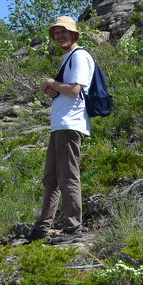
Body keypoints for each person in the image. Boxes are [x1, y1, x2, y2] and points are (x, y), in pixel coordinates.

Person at [30, 16, 94, 243]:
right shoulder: (68, 58)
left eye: (64, 32)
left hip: (71, 125)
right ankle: (42, 227)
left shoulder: (80, 56)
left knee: (68, 177)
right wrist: (54, 90)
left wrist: (51, 82)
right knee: (51, 178)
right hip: (60, 125)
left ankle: (73, 229)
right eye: (56, 33)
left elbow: (75, 90)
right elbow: (68, 90)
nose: (60, 36)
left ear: (74, 35)